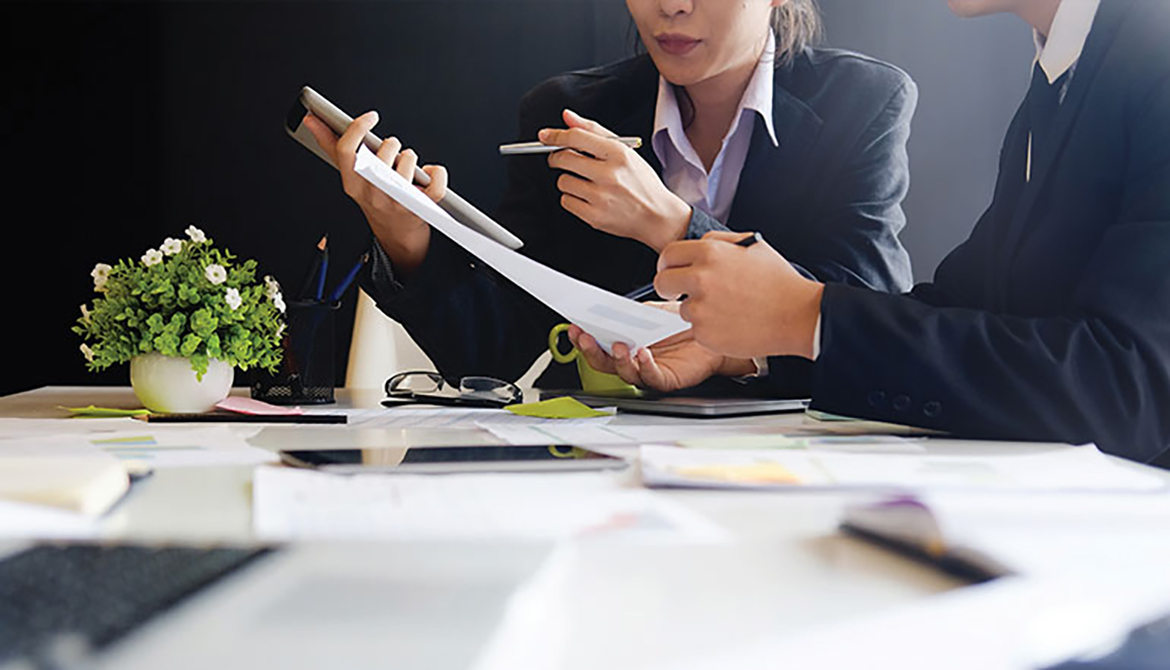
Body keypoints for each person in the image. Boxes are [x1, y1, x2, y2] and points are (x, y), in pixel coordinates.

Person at [573, 0, 1170, 464]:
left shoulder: (1150, 54)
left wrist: (808, 316)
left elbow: (1131, 388)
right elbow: (973, 306)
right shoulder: (1069, 70)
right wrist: (751, 346)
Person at [305, 0, 917, 392]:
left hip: (803, 458)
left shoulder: (861, 102)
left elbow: (869, 315)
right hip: (607, 461)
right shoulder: (570, 110)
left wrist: (671, 223)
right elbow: (493, 353)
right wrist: (408, 240)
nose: (671, 8)